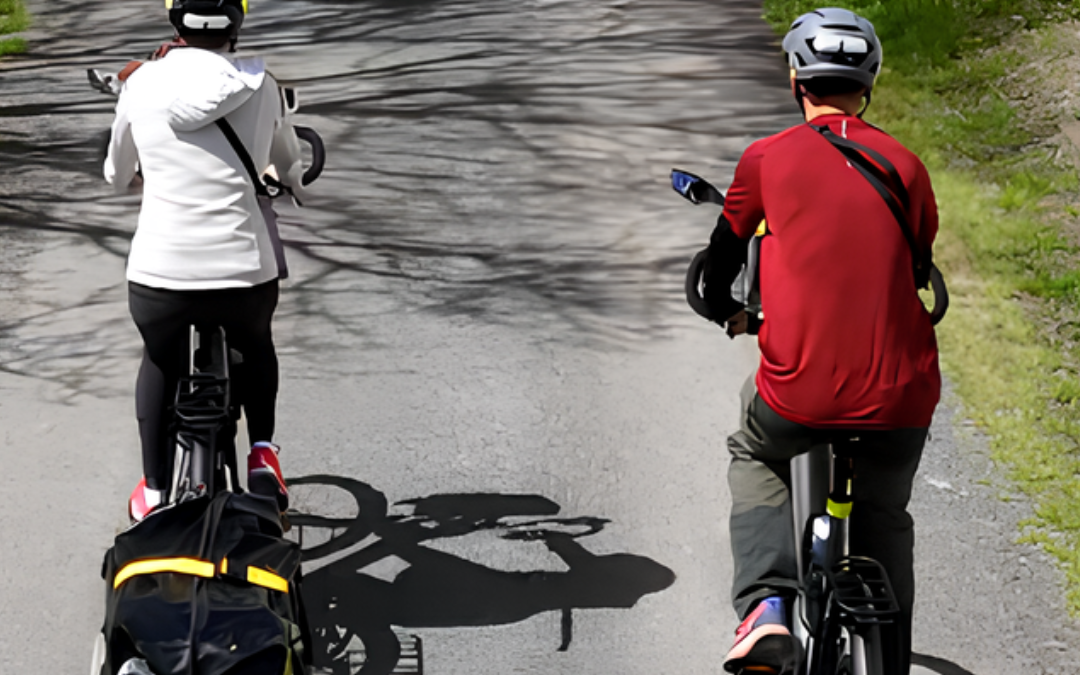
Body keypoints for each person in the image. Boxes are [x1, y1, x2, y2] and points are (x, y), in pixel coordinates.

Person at [699, 8, 941, 675]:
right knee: (884, 510)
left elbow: (721, 261)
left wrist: (724, 307)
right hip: (902, 395)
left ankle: (765, 608)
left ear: (796, 78)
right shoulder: (907, 167)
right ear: (869, 81)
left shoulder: (767, 158)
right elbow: (916, 263)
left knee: (752, 447)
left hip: (800, 391)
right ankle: (886, 656)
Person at [104, 0, 309, 520]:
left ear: (176, 21)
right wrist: (291, 180)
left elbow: (116, 171)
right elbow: (287, 162)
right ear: (236, 23)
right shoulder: (262, 87)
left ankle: (152, 491)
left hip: (160, 275)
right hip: (242, 274)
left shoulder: (140, 85)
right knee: (256, 342)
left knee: (158, 357)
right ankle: (262, 454)